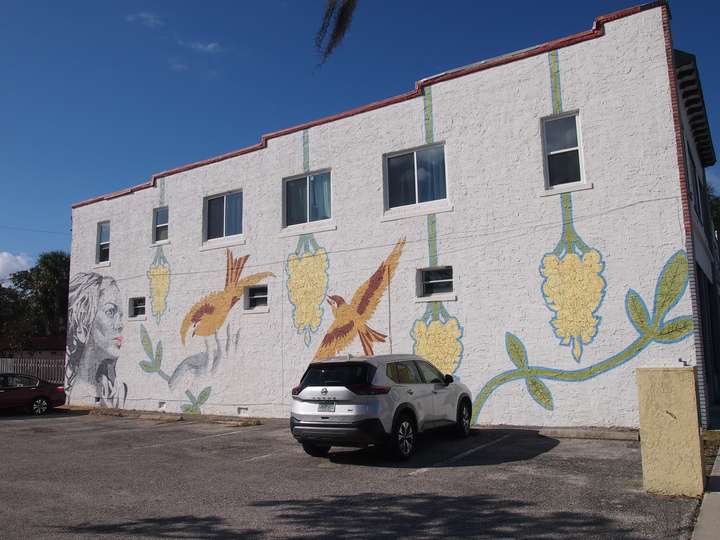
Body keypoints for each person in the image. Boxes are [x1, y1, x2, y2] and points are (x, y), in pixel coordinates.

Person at [66, 272, 126, 407]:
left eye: (121, 315)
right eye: (110, 312)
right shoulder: (81, 391)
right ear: (82, 326)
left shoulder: (112, 387)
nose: (120, 324)